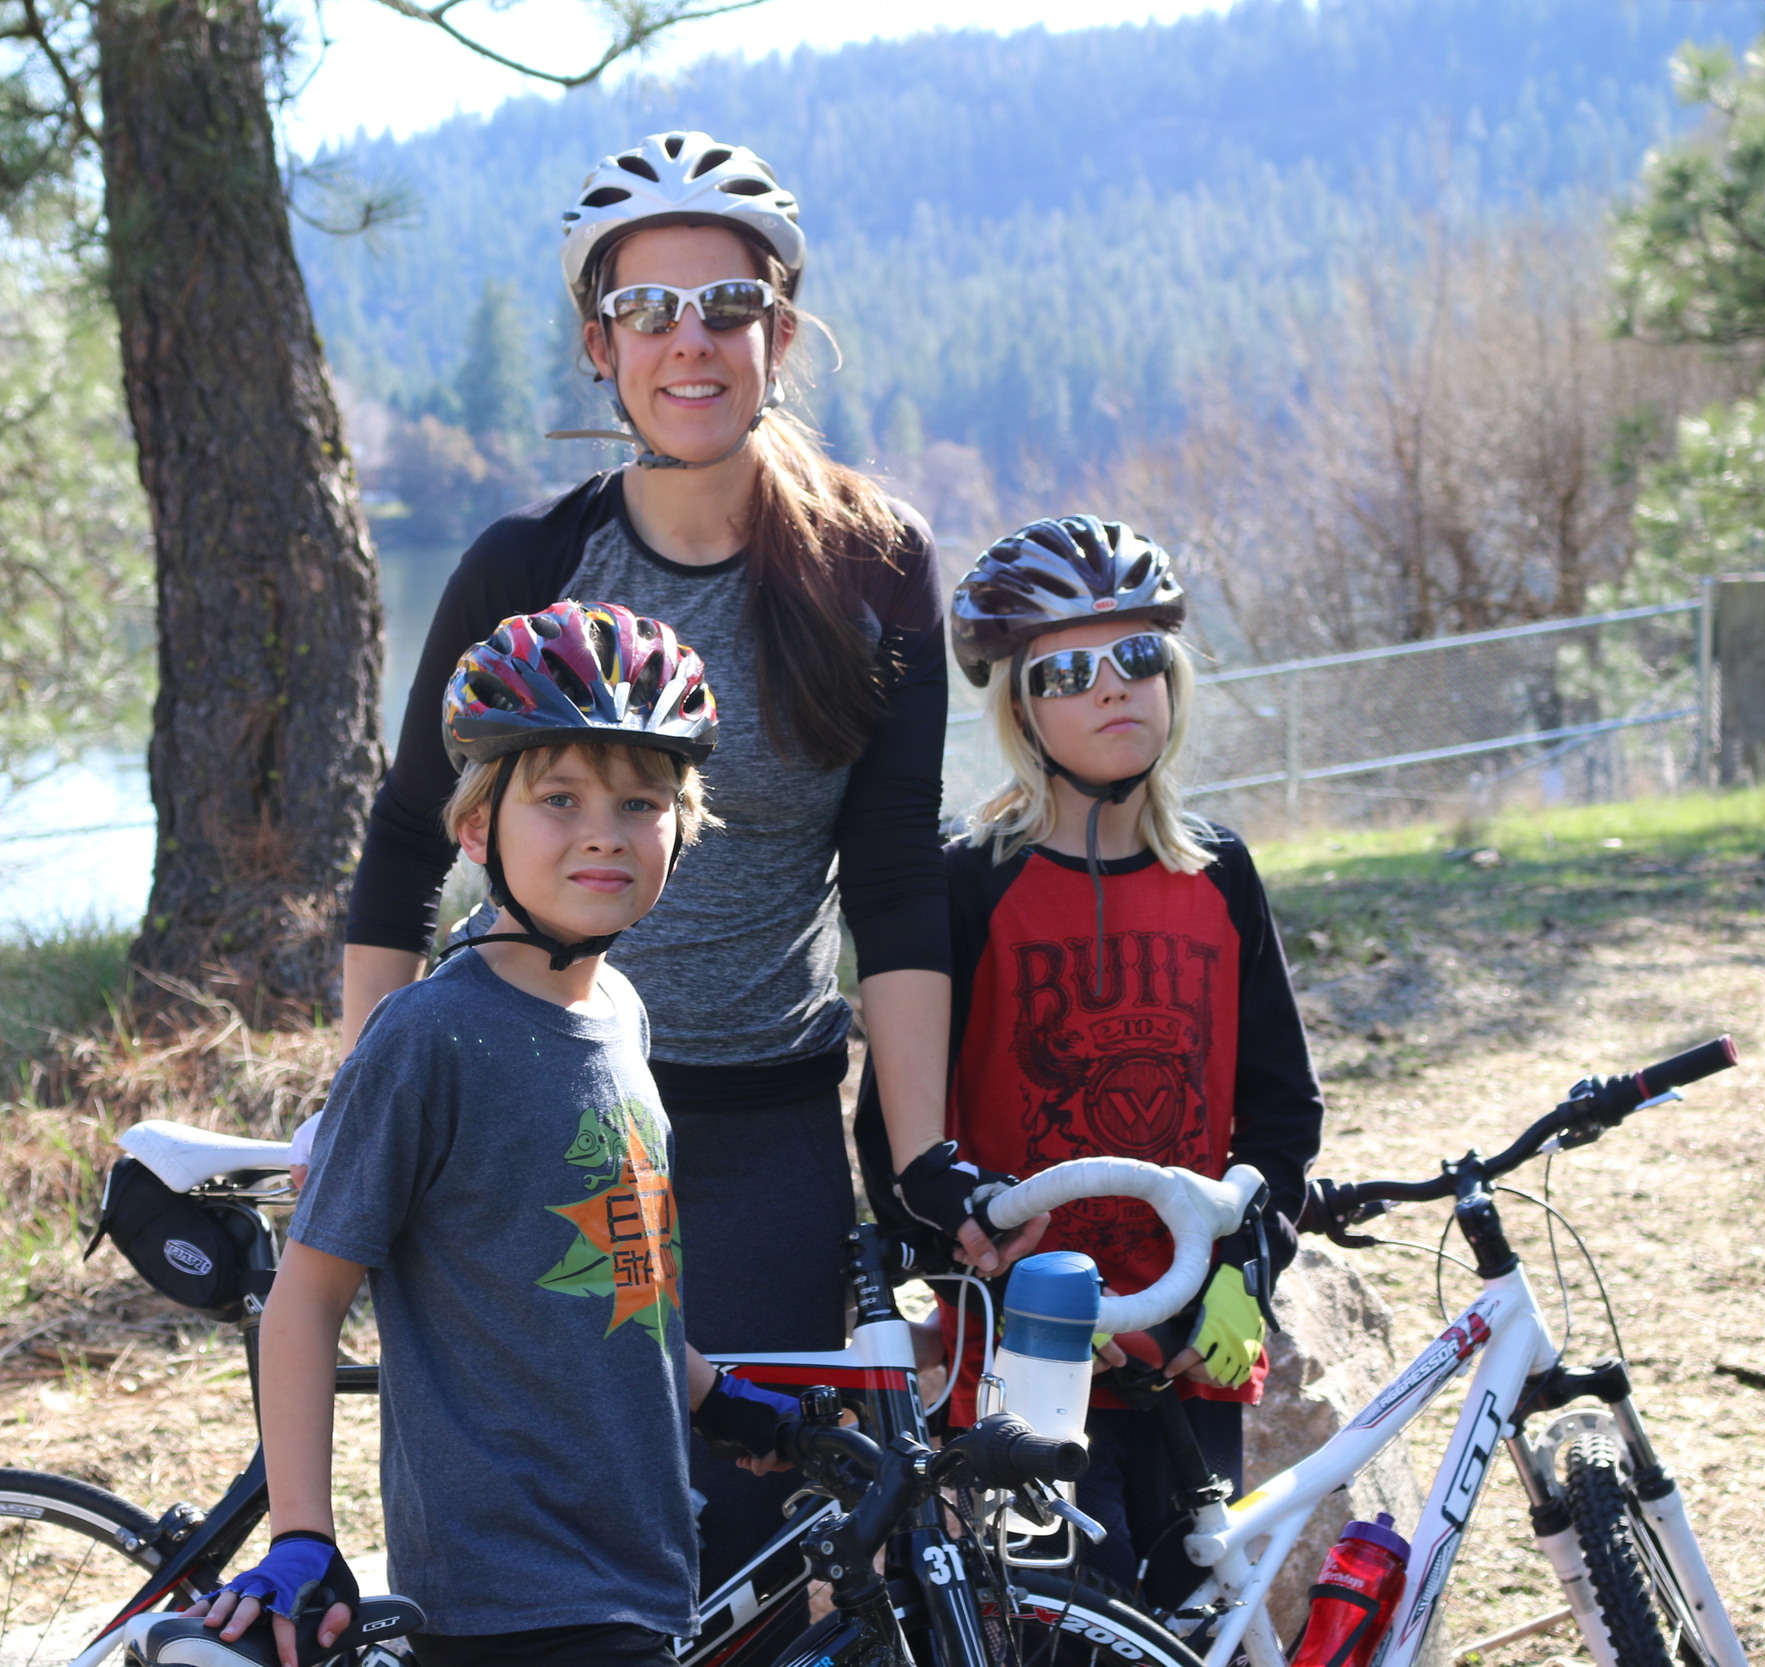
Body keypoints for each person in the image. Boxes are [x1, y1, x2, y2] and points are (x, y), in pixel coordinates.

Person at [317, 130, 1032, 1593]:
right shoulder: (529, 565)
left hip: (763, 1129)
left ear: (781, 328)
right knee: (550, 1549)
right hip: (529, 1123)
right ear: (599, 343)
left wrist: (915, 1154)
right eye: (649, 310)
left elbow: (891, 872)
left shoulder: (873, 561)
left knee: (760, 1545)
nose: (688, 342)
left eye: (727, 305)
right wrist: (362, 1112)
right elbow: (403, 845)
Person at [197, 603, 802, 1667]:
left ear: (681, 822)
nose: (604, 829)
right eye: (557, 798)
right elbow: (305, 1300)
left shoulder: (618, 1012)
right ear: (477, 828)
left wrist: (716, 1396)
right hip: (506, 1598)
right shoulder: (431, 1035)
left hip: (641, 1565)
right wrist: (303, 1532)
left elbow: (613, 1281)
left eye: (640, 800)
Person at [859, 516, 1323, 1609]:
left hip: (1184, 1337)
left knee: (1189, 1615)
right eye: (1068, 669)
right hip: (1036, 1351)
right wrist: (974, 1264)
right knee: (1062, 1625)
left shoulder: (1220, 873)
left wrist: (1244, 1266)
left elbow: (1279, 1110)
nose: (1114, 687)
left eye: (1139, 656)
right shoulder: (965, 880)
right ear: (1019, 707)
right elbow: (896, 1136)